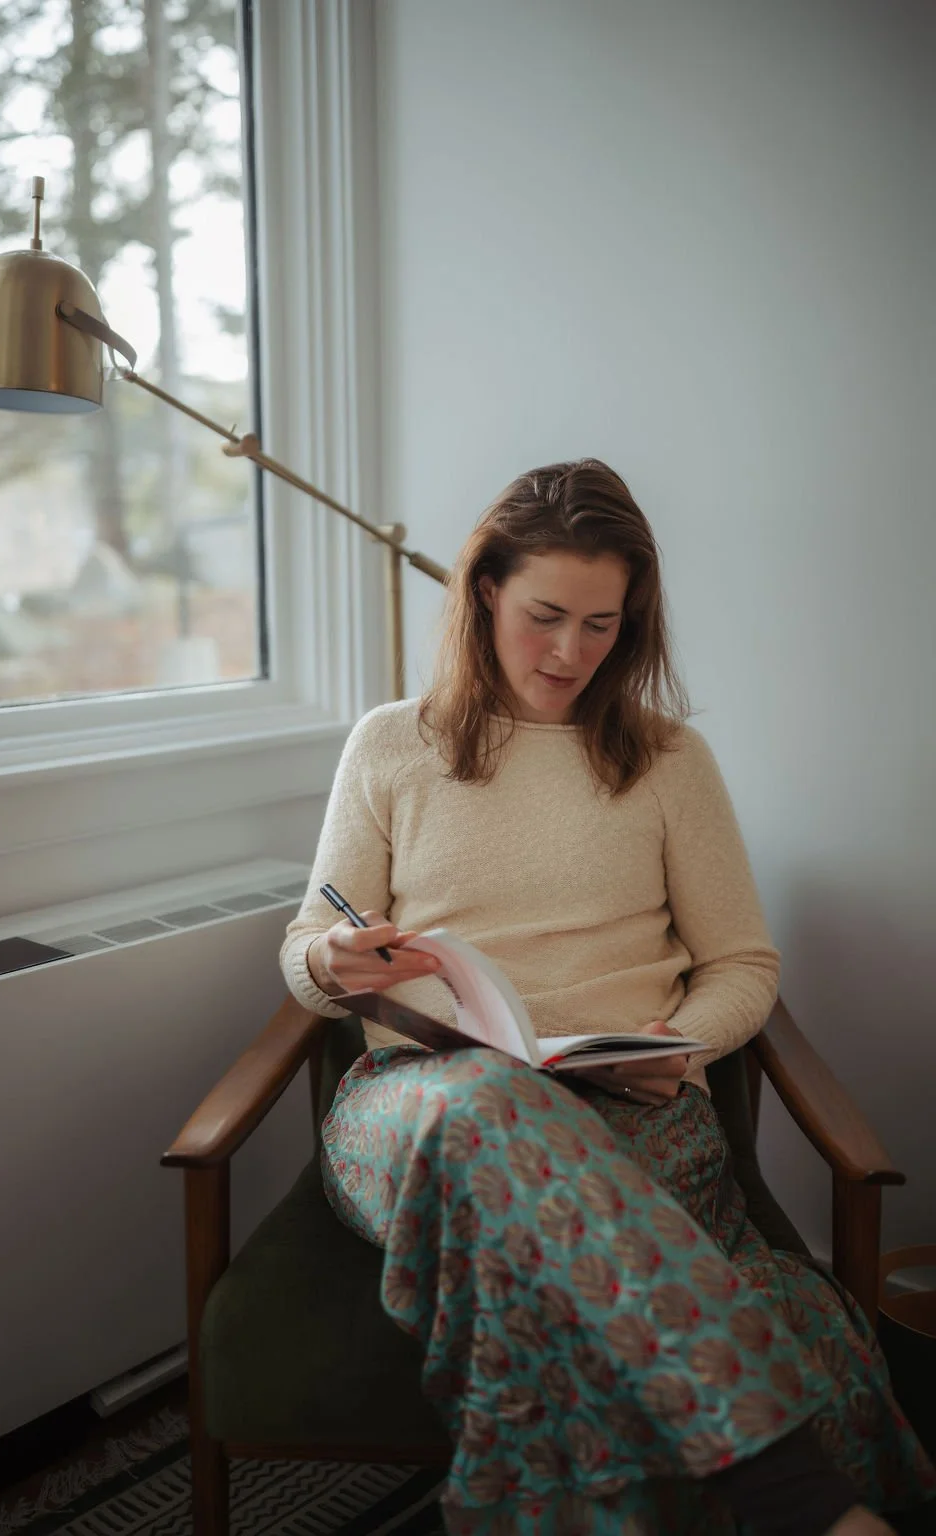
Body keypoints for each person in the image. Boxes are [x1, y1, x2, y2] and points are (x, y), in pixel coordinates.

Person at [281, 460, 934, 1535]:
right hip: (417, 1106)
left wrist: (678, 1041)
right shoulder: (391, 744)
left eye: (600, 624)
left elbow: (743, 966)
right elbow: (308, 945)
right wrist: (333, 962)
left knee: (520, 1258)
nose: (569, 653)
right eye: (545, 615)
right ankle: (790, 1493)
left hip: (623, 1106)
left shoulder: (667, 760)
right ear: (484, 589)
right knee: (485, 1102)